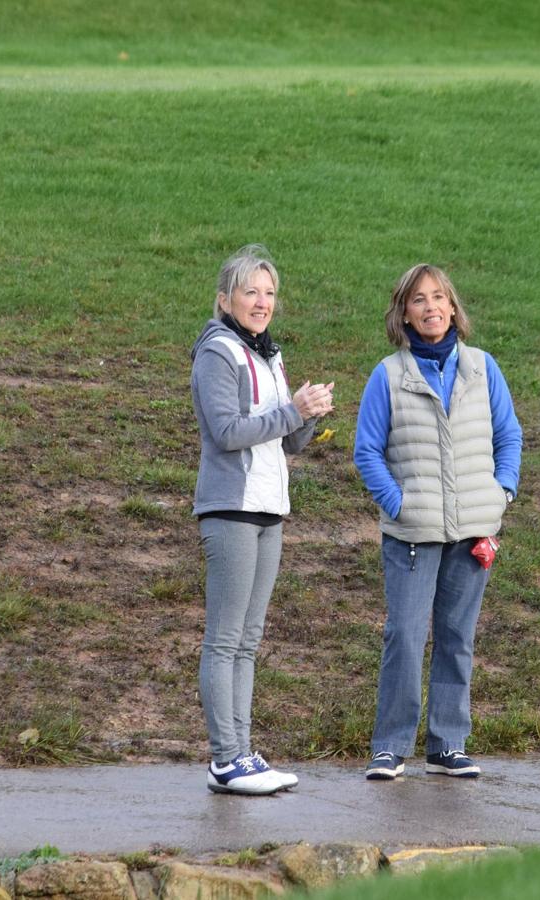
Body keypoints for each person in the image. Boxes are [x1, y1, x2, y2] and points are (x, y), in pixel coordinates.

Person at [353, 263, 522, 780]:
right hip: (411, 533)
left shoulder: (483, 367)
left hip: (473, 528)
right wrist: (398, 504)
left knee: (456, 635)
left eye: (439, 298)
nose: (430, 308)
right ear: (404, 311)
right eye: (418, 300)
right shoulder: (388, 374)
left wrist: (501, 493)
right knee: (404, 635)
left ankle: (448, 744)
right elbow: (367, 452)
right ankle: (390, 746)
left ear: (453, 308)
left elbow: (509, 437)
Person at [189, 244, 334, 795]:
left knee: (248, 640)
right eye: (251, 291)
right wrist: (293, 410)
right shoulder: (217, 353)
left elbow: (285, 439)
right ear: (225, 298)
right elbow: (226, 432)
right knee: (225, 639)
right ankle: (226, 757)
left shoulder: (269, 354)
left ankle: (243, 754)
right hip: (230, 506)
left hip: (271, 507)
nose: (262, 301)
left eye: (270, 292)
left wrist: (310, 414)